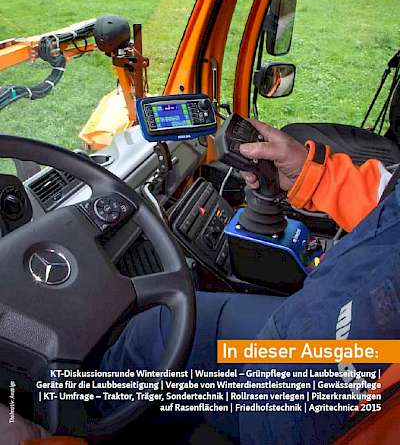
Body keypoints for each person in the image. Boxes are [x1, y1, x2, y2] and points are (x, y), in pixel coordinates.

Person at [7, 120, 399, 444]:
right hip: (330, 327)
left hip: (339, 406)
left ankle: (74, 430)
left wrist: (32, 440)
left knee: (157, 338)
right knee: (167, 330)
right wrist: (315, 176)